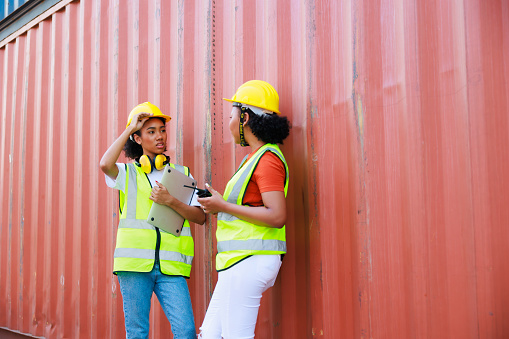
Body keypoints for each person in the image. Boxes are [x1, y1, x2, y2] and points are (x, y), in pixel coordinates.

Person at [99, 102, 205, 339]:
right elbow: (104, 164)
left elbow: (200, 218)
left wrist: (171, 201)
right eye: (151, 131)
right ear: (137, 138)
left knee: (186, 330)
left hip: (171, 268)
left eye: (162, 130)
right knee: (137, 333)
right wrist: (129, 128)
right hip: (134, 267)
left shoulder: (183, 175)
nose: (160, 136)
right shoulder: (127, 174)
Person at [197, 80, 291, 338]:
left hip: (250, 260)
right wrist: (219, 205)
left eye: (232, 116)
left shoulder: (268, 159)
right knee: (210, 335)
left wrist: (223, 205)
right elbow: (244, 208)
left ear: (245, 118)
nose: (228, 123)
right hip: (238, 261)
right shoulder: (253, 158)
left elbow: (277, 215)